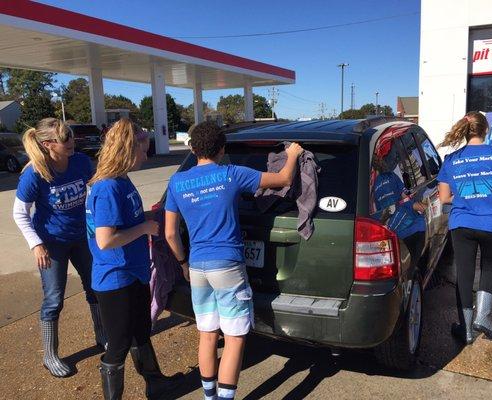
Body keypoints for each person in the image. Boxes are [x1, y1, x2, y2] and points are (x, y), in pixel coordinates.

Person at [165, 121, 303, 400]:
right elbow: (284, 180)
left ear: (193, 148)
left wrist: (182, 263)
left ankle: (208, 396)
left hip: (197, 266)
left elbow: (169, 233)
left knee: (206, 334)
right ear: (222, 149)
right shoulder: (231, 174)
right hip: (227, 265)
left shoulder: (177, 182)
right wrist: (294, 154)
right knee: (235, 337)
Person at [86, 119, 178, 399]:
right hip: (115, 278)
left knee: (141, 331)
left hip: (134, 272)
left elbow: (124, 222)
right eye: (144, 150)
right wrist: (145, 228)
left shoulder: (122, 180)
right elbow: (105, 239)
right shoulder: (108, 187)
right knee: (118, 344)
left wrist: (149, 218)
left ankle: (155, 382)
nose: (147, 156)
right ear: (129, 148)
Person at [12, 118, 104, 378]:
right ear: (47, 144)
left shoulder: (80, 162)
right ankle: (50, 356)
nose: (71, 142)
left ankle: (103, 336)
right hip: (51, 244)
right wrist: (36, 244)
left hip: (82, 238)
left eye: (71, 136)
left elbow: (95, 187)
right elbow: (20, 213)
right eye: (65, 139)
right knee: (54, 299)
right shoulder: (35, 173)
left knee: (95, 288)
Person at [437, 112, 492, 344]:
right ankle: (483, 317)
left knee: (464, 274)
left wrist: (468, 196)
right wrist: (491, 193)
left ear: (464, 131)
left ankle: (465, 330)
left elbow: (444, 198)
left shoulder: (452, 159)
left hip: (462, 223)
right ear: (486, 130)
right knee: (489, 268)